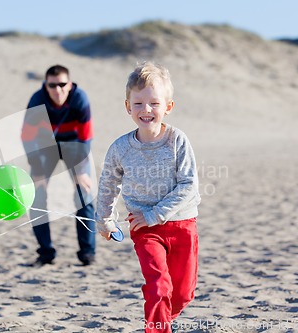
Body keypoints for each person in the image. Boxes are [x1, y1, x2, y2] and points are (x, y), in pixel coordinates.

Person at [95, 62, 201, 333]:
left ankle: (164, 318)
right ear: (128, 106)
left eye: (154, 103)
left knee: (182, 294)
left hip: (182, 224)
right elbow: (108, 185)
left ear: (168, 106)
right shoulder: (120, 148)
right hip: (144, 227)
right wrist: (105, 220)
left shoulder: (177, 140)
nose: (146, 110)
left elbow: (188, 184)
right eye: (139, 103)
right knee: (158, 286)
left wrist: (157, 213)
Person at [21, 64, 96, 267]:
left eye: (62, 84)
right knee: (37, 196)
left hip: (75, 145)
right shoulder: (37, 101)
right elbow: (27, 138)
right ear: (46, 85)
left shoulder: (80, 99)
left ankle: (87, 253)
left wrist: (81, 172)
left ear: (70, 85)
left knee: (83, 195)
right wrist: (37, 171)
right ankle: (46, 253)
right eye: (52, 85)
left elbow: (85, 137)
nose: (58, 90)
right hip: (47, 147)